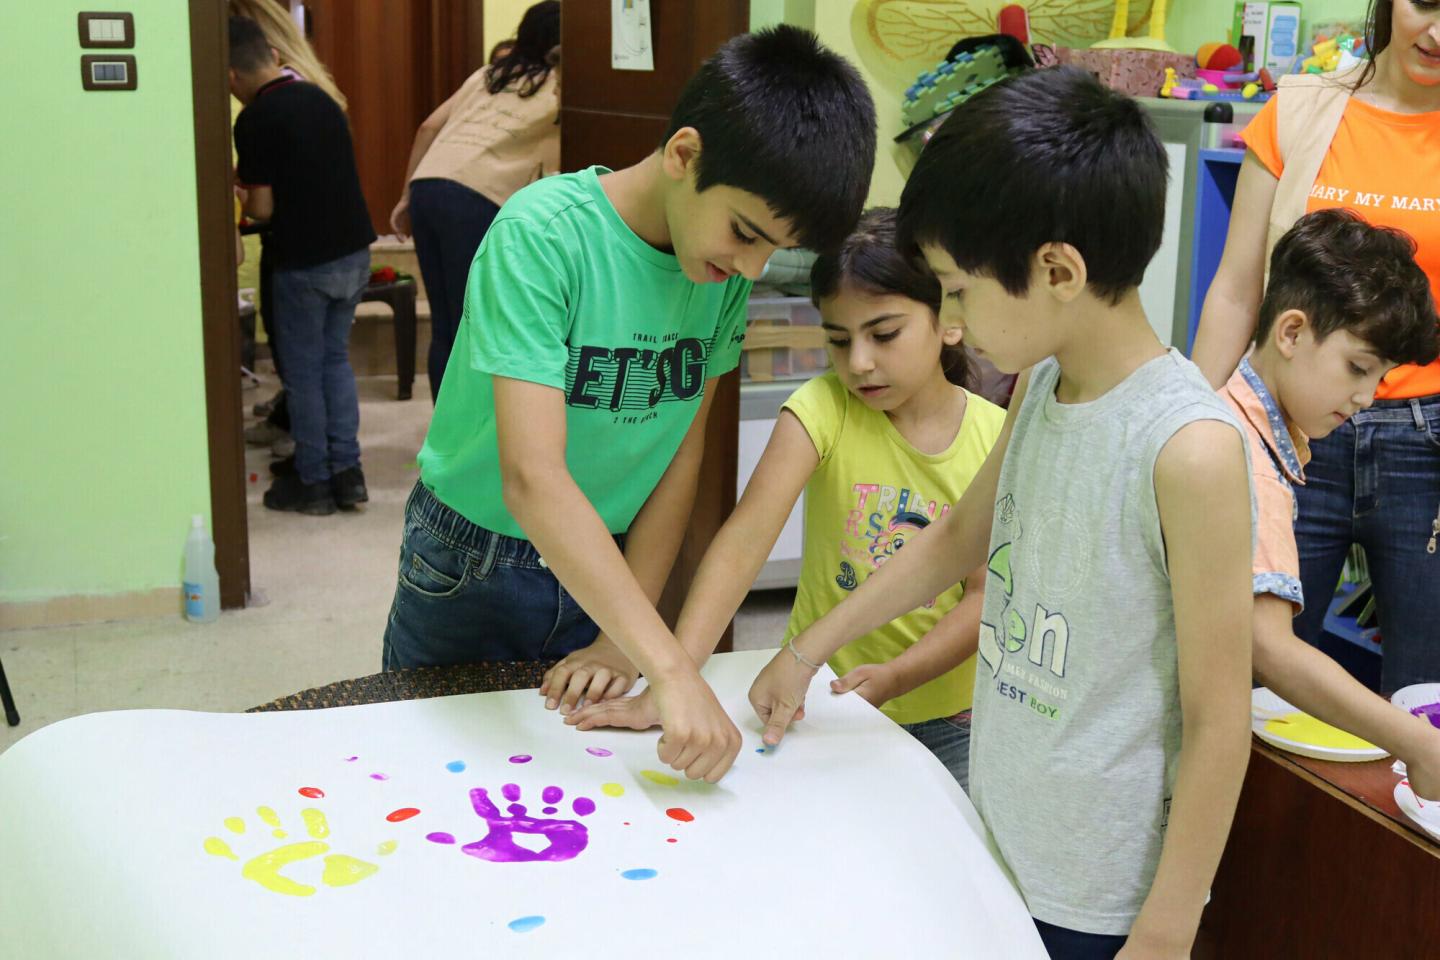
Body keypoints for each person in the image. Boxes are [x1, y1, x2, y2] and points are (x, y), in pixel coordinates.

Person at [747, 67, 1256, 959]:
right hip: (997, 828)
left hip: (1101, 895)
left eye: (958, 289)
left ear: (1058, 270)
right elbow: (953, 541)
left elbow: (1221, 722)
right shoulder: (1041, 382)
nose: (952, 316)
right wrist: (803, 653)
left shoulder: (1191, 450)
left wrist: (1167, 929)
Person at [380, 26, 877, 784]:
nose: (748, 266)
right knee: (425, 776)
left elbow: (679, 453)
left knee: (577, 786)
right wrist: (673, 670)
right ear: (684, 155)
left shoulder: (722, 276)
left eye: (770, 250)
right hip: (469, 564)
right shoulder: (543, 236)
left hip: (606, 567)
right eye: (745, 233)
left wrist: (625, 634)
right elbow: (532, 477)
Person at [555, 208, 1002, 791]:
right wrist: (677, 679)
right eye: (839, 341)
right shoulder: (822, 408)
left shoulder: (998, 437)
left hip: (951, 719)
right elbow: (742, 544)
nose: (859, 363)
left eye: (884, 334)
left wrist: (898, 675)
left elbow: (982, 597)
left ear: (950, 320)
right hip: (815, 704)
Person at [1191, 0, 1440, 691]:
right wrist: (1193, 423)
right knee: (1252, 673)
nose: (1438, 33)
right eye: (1427, 4)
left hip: (1430, 447)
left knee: (1428, 696)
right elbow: (1238, 290)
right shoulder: (1300, 111)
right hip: (1290, 435)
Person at [1220, 209, 1440, 795]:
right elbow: (1268, 647)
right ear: (1291, 332)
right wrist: (1417, 742)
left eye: (1380, 378)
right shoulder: (1246, 458)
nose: (1366, 398)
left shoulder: (1245, 427)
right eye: (1357, 369)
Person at [231, 16, 376, 515]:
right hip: (354, 252)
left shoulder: (253, 120)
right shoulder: (320, 97)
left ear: (231, 77)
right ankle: (347, 472)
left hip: (304, 262)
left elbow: (263, 210)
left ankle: (313, 482)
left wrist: (239, 192)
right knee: (335, 361)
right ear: (273, 54)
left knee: (303, 374)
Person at [390, 1, 562, 401]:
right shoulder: (559, 87)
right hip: (475, 200)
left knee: (445, 324)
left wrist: (405, 195)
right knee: (475, 326)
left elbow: (429, 125)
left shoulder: (488, 75)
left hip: (427, 188)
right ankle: (467, 437)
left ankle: (443, 432)